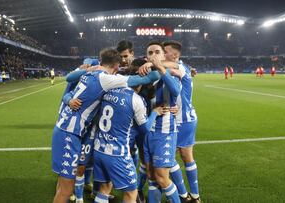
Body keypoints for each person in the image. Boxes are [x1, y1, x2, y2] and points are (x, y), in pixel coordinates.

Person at [52, 49, 161, 203]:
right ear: (116, 66)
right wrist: (156, 66)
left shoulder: (90, 73)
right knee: (66, 190)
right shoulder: (106, 79)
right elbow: (149, 78)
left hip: (68, 130)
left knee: (63, 185)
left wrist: (88, 69)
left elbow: (69, 78)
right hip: (69, 132)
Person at [139, 41, 181, 203]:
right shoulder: (146, 76)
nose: (153, 55)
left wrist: (161, 68)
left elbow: (176, 91)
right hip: (149, 131)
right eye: (150, 53)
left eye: (157, 52)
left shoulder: (170, 72)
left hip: (165, 132)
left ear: (163, 55)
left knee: (162, 177)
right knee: (151, 175)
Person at [164, 40, 201, 203]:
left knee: (181, 156)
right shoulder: (182, 66)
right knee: (175, 157)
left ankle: (191, 195)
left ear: (174, 55)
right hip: (176, 118)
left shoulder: (181, 68)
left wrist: (150, 63)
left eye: (165, 51)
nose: (162, 54)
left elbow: (171, 69)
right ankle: (187, 195)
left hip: (184, 120)